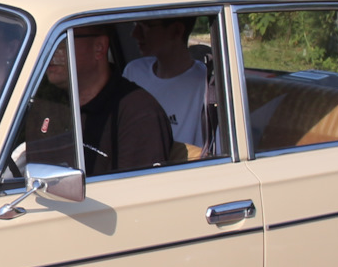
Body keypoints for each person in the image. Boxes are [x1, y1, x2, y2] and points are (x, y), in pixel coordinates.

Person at [26, 26, 169, 175]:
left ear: (99, 48)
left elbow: (138, 191)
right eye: (46, 43)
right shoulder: (44, 100)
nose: (48, 52)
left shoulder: (139, 114)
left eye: (62, 41)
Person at [127, 15, 212, 149]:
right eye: (135, 25)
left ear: (176, 30)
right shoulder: (134, 71)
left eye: (145, 26)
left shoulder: (206, 83)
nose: (135, 34)